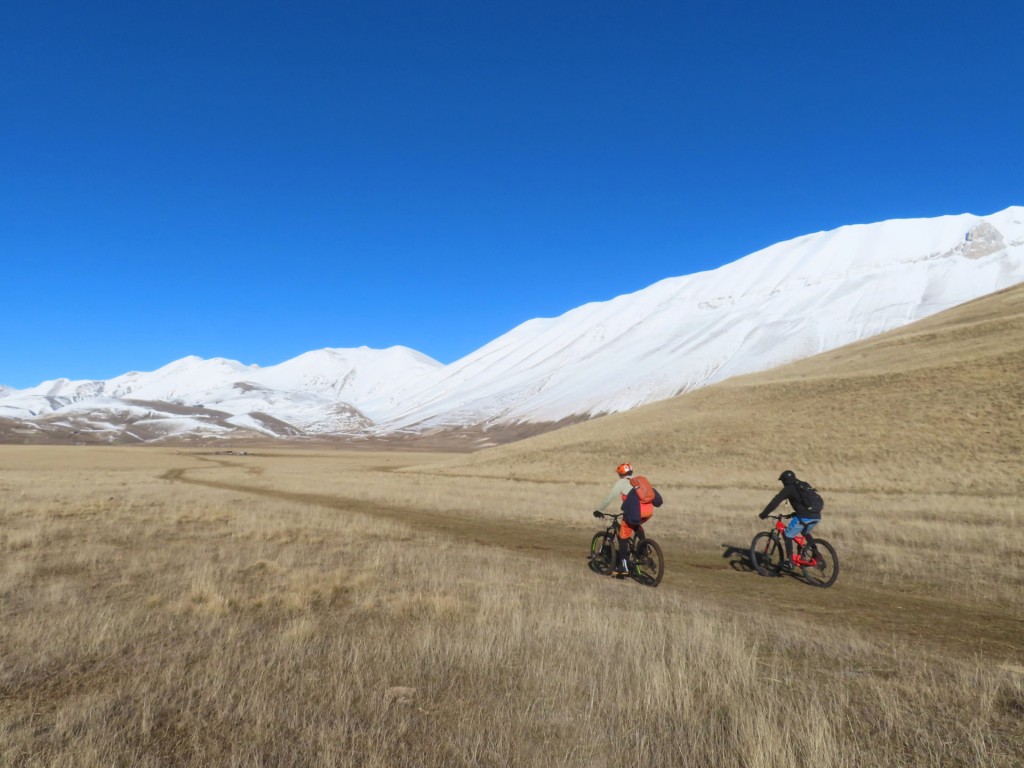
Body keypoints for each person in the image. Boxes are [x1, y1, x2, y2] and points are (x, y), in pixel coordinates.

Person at [594, 463, 663, 577]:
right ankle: (643, 550)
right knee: (636, 526)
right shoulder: (639, 481)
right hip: (648, 511)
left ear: (621, 473)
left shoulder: (622, 482)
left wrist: (598, 509)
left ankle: (623, 566)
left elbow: (609, 497)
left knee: (623, 536)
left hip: (635, 512)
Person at [758, 470, 824, 570]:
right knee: (804, 532)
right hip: (816, 515)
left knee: (788, 534)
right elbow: (804, 503)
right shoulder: (801, 485)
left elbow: (775, 502)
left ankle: (790, 561)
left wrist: (764, 514)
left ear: (785, 481)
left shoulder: (789, 489)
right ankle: (816, 554)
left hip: (804, 516)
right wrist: (794, 513)